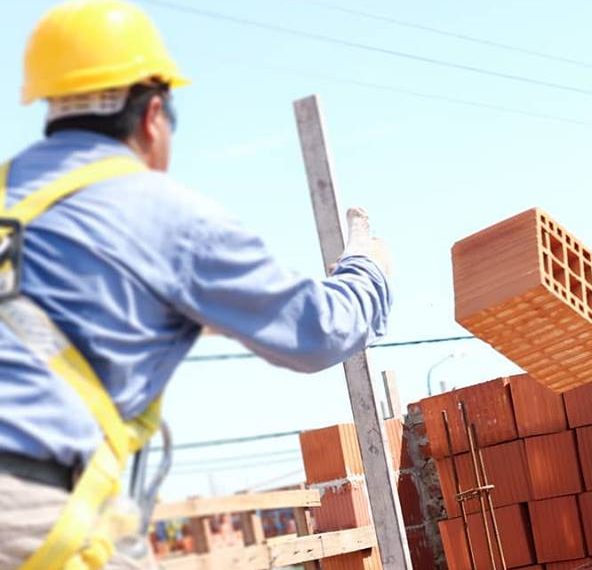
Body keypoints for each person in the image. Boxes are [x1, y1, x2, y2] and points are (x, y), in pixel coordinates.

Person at [0, 1, 392, 569]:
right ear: (153, 115)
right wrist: (369, 267)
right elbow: (317, 331)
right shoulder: (164, 216)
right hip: (33, 515)